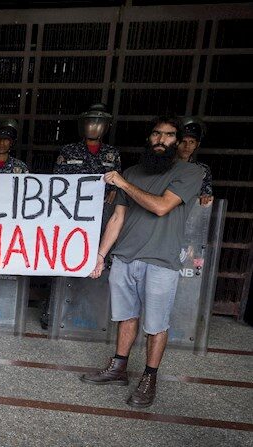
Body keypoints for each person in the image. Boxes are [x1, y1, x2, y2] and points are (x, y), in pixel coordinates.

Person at [80, 114, 201, 408]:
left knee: (156, 324)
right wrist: (100, 255)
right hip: (124, 257)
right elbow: (118, 218)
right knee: (126, 316)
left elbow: (161, 206)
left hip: (160, 261)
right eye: (157, 134)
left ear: (179, 141)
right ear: (149, 138)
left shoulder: (190, 173)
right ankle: (119, 366)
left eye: (169, 135)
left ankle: (149, 377)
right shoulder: (134, 172)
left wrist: (122, 182)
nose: (161, 140)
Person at [41, 103, 122, 329]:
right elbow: (57, 184)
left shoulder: (112, 154)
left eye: (99, 122)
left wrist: (113, 193)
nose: (93, 126)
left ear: (106, 126)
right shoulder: (68, 152)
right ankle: (53, 313)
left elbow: (117, 186)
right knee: (62, 262)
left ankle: (91, 314)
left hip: (100, 219)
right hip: (70, 218)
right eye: (89, 121)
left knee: (97, 265)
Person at [177, 116, 213, 205]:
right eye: (183, 141)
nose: (187, 146)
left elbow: (206, 194)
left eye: (192, 142)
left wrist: (205, 197)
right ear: (176, 142)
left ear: (197, 145)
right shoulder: (165, 166)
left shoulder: (202, 169)